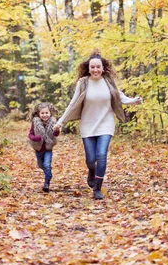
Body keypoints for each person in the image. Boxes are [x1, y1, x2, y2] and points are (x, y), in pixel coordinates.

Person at [54, 50, 143, 200]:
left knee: (101, 155)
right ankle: (91, 170)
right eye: (92, 67)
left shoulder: (108, 81)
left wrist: (134, 100)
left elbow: (119, 96)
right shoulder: (83, 83)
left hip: (105, 124)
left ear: (103, 68)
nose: (95, 70)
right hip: (88, 124)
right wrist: (60, 122)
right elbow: (72, 103)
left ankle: (97, 188)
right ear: (88, 68)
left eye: (98, 67)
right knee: (90, 159)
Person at [28, 102, 60, 193]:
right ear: (39, 114)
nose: (45, 115)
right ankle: (48, 172)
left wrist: (56, 130)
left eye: (46, 113)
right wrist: (35, 138)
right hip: (38, 149)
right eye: (42, 113)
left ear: (50, 113)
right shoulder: (36, 122)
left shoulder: (53, 122)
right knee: (41, 165)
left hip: (48, 148)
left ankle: (47, 183)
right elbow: (30, 134)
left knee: (47, 165)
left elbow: (55, 135)